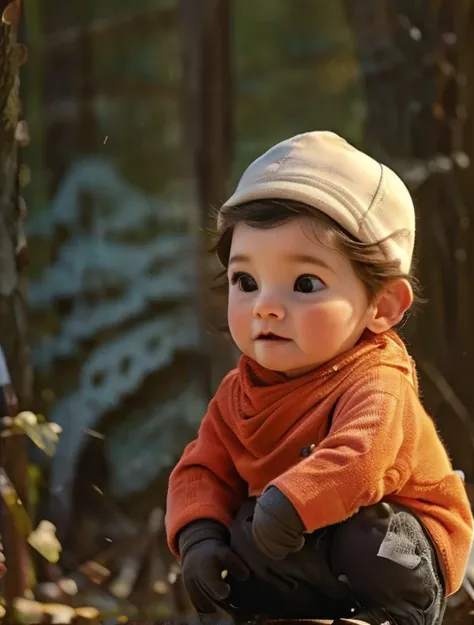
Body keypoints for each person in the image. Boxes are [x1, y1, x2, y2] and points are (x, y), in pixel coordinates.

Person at [165, 131, 473, 625]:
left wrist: (290, 503)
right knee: (241, 529)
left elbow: (360, 455)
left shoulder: (377, 380)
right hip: (297, 535)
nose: (265, 305)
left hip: (397, 543)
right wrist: (199, 535)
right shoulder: (239, 392)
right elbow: (202, 468)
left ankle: (398, 614)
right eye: (246, 281)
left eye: (304, 284)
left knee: (368, 537)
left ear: (383, 306)